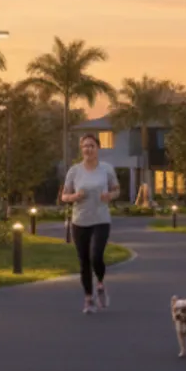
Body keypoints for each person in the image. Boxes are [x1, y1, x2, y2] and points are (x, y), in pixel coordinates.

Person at [60, 132, 121, 313]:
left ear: (98, 148)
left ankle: (100, 284)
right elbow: (64, 196)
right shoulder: (74, 171)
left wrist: (109, 195)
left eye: (91, 146)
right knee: (84, 261)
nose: (88, 149)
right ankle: (88, 299)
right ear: (81, 149)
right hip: (79, 221)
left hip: (101, 219)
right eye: (85, 146)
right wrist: (75, 196)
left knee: (96, 256)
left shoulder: (106, 169)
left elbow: (116, 190)